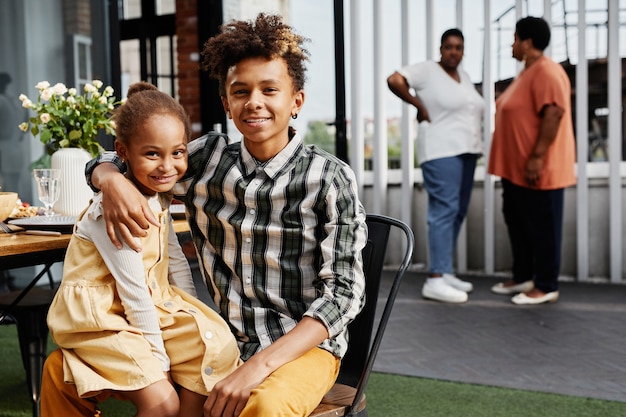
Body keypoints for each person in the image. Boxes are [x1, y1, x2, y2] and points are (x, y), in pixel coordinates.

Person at [43, 13, 368, 417]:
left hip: (300, 348)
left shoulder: (330, 178)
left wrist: (257, 368)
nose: (254, 102)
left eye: (270, 89)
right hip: (219, 339)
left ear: (296, 100)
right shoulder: (209, 158)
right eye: (240, 91)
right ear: (226, 103)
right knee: (62, 369)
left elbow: (343, 295)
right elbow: (135, 156)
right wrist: (109, 179)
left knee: (263, 406)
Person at [41, 82, 241, 417]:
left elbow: (174, 260)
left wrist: (189, 311)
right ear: (123, 152)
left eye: (177, 153)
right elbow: (133, 290)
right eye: (152, 154)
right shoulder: (113, 209)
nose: (167, 166)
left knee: (216, 346)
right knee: (163, 401)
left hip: (148, 302)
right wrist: (160, 364)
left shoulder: (158, 195)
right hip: (103, 316)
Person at [387, 28, 483, 304]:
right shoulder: (428, 71)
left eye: (459, 47)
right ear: (441, 49)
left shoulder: (463, 77)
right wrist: (419, 104)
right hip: (441, 151)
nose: (454, 52)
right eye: (449, 47)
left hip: (467, 152)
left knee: (457, 211)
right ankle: (436, 279)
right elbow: (394, 79)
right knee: (444, 210)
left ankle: (446, 270)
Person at [488, 16, 576, 305]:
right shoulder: (527, 73)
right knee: (518, 224)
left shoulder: (547, 72)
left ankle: (546, 284)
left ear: (527, 42)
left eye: (514, 38)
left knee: (542, 227)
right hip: (515, 170)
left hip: (538, 169)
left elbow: (553, 114)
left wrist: (537, 158)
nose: (511, 44)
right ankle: (524, 276)